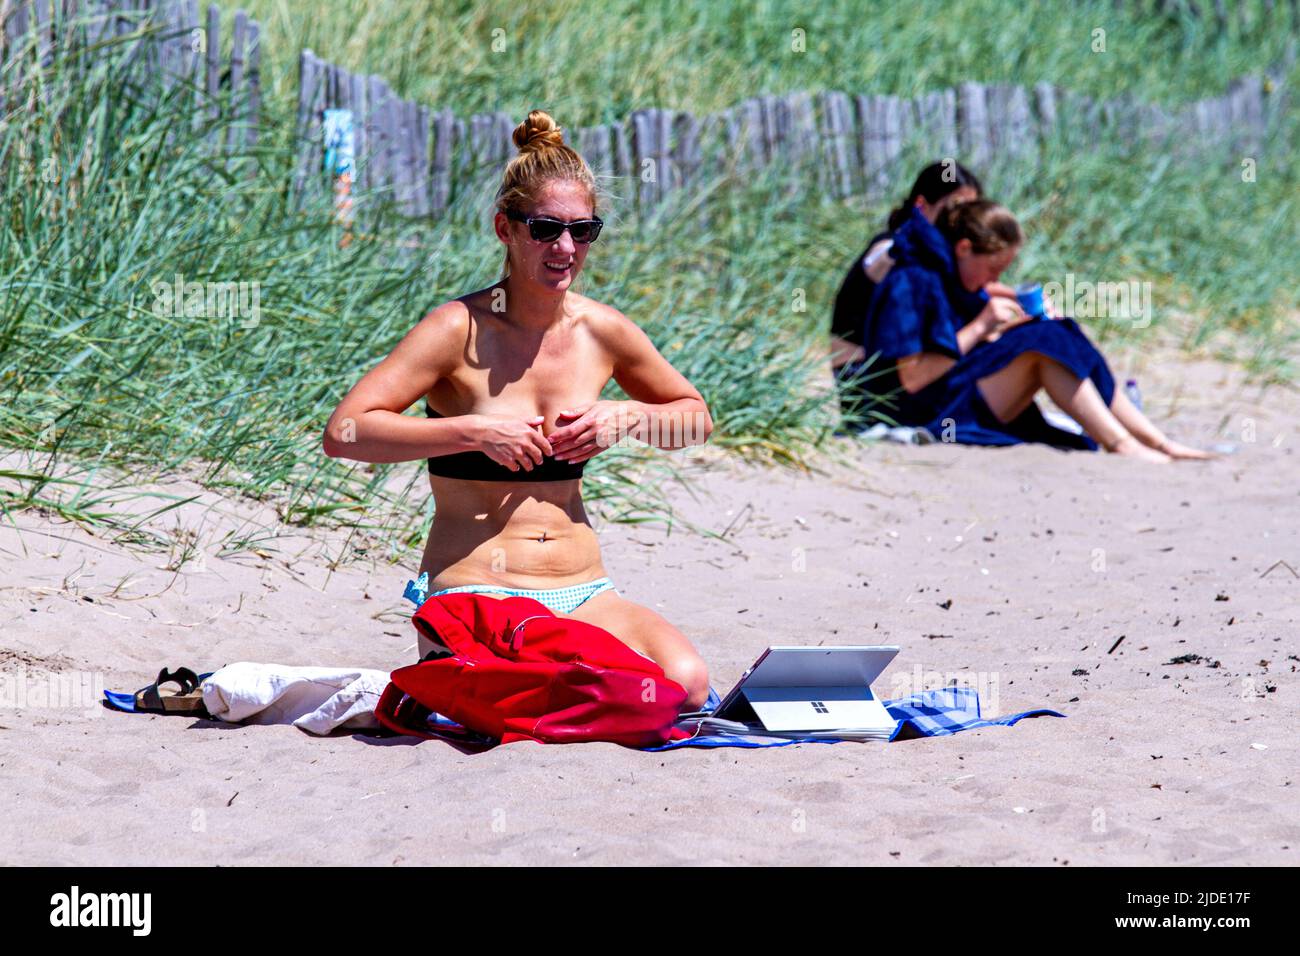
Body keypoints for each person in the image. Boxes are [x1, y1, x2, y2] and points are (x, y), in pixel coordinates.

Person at [322, 110, 714, 709]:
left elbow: (695, 416)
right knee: (569, 690)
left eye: (583, 231)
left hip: (586, 591)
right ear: (504, 227)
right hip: (480, 588)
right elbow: (345, 433)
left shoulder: (602, 331)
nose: (565, 248)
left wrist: (626, 418)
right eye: (545, 229)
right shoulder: (457, 328)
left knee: (686, 686)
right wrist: (471, 432)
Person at [852, 198, 1211, 461]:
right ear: (963, 248)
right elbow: (913, 379)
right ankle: (1123, 444)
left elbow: (960, 343)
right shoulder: (912, 282)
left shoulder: (945, 274)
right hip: (918, 409)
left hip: (949, 390)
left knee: (1057, 329)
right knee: (1042, 344)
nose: (995, 282)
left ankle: (1154, 439)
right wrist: (982, 326)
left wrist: (1009, 327)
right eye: (993, 270)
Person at [830, 161, 1015, 424]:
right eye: (955, 208)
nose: (961, 220)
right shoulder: (899, 251)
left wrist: (1018, 300)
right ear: (921, 205)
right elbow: (886, 265)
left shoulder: (930, 255)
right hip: (866, 382)